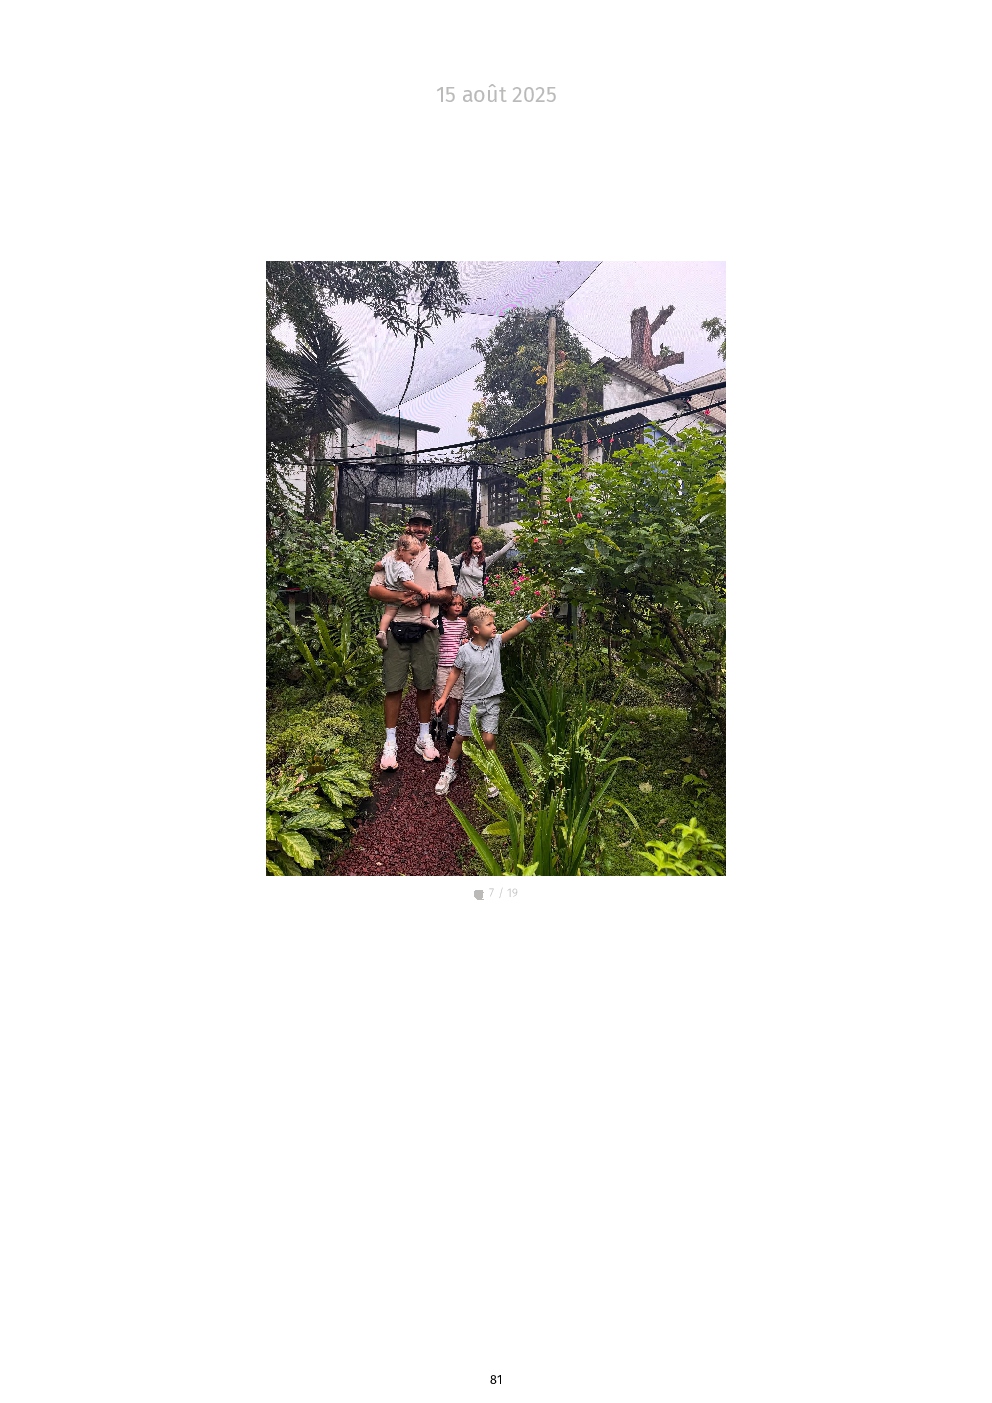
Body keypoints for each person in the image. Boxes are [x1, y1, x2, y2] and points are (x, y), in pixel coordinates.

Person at [368, 510, 456, 770]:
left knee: (425, 685)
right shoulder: (393, 556)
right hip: (396, 628)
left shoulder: (439, 557)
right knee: (393, 686)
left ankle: (424, 737)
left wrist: (421, 598)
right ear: (408, 526)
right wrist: (399, 598)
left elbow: (448, 594)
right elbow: (374, 589)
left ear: (430, 529)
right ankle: (390, 742)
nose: (420, 528)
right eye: (415, 524)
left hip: (426, 629)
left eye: (424, 525)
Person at [433, 602, 547, 798]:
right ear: (476, 629)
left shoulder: (496, 643)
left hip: (492, 701)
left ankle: (491, 772)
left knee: (489, 738)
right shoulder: (464, 651)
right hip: (471, 703)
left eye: (493, 623)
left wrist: (531, 618)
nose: (494, 627)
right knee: (461, 738)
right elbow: (454, 673)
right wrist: (444, 696)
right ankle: (449, 770)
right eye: (489, 624)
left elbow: (514, 630)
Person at [372, 533, 437, 649]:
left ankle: (381, 632)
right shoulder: (403, 567)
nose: (414, 557)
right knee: (425, 596)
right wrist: (421, 590)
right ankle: (425, 618)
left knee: (388, 614)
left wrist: (376, 568)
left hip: (390, 591)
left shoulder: (389, 559)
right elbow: (406, 583)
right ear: (401, 550)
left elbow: (378, 565)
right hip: (404, 592)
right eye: (412, 554)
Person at [433, 592, 468, 745]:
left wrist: (465, 641)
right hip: (442, 665)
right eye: (454, 604)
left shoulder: (462, 624)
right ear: (446, 606)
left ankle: (451, 728)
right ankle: (437, 721)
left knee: (455, 698)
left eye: (460, 604)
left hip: (457, 666)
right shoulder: (440, 622)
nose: (457, 607)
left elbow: (464, 639)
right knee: (441, 695)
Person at [454, 532, 516, 601]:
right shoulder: (462, 557)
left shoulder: (484, 562)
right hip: (461, 600)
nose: (478, 545)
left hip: (477, 600)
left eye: (479, 542)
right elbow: (449, 564)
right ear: (470, 546)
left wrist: (513, 541)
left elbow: (500, 553)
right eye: (475, 543)